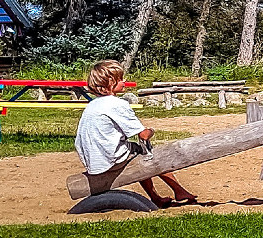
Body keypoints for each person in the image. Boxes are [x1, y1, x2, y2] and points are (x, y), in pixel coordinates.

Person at [75, 60, 196, 207]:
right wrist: (151, 130)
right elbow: (143, 135)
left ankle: (157, 196)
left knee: (136, 152)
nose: (124, 81)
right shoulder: (117, 104)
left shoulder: (92, 105)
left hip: (93, 160)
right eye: (120, 79)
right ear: (110, 83)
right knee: (150, 155)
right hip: (110, 159)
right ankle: (178, 190)